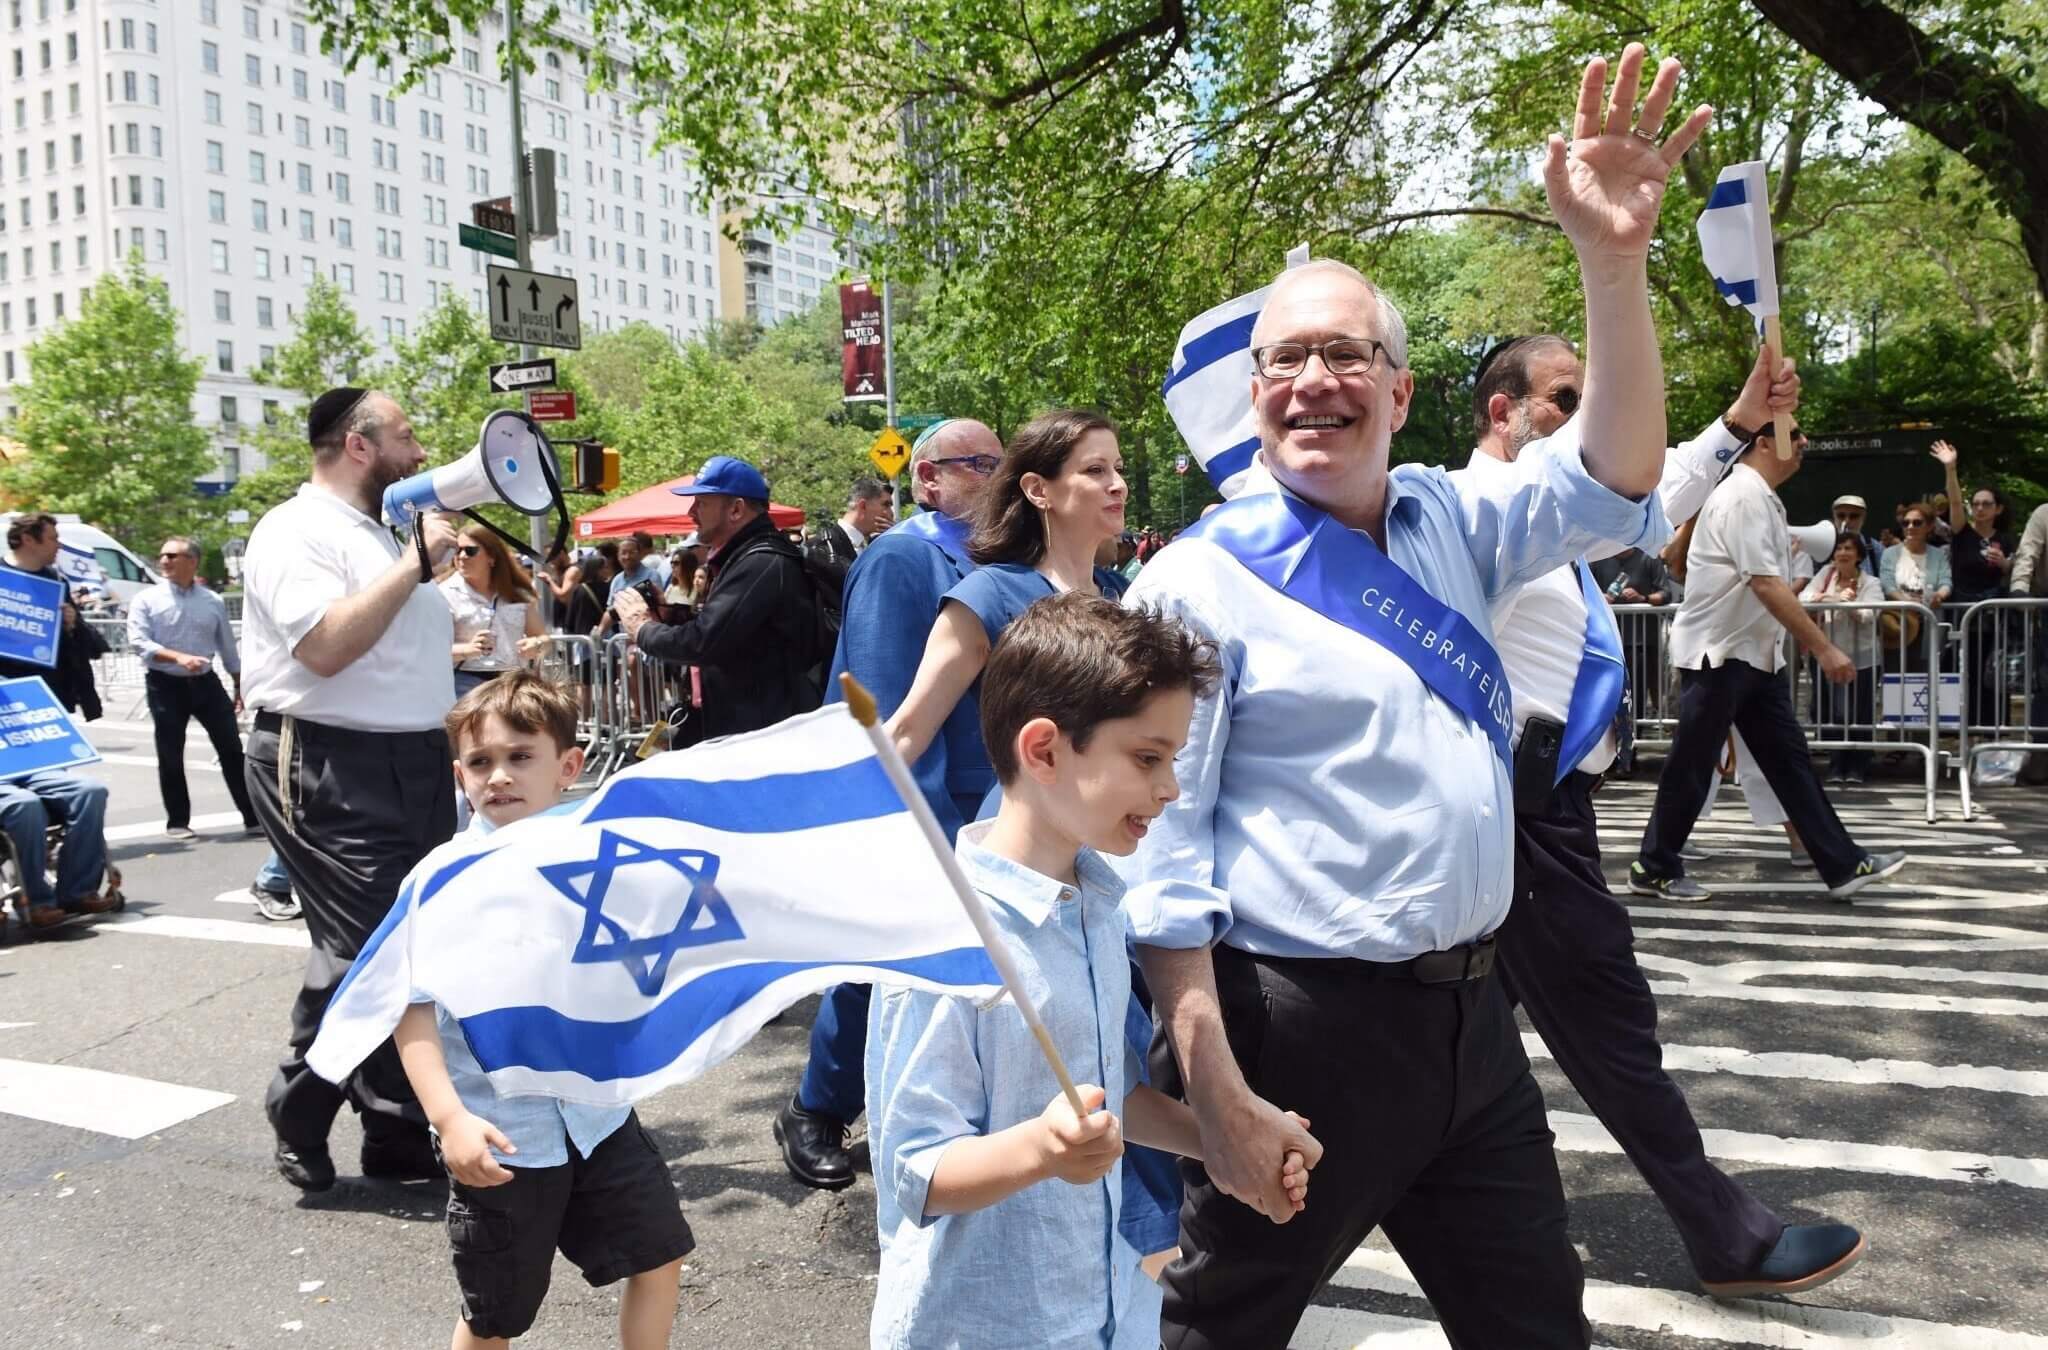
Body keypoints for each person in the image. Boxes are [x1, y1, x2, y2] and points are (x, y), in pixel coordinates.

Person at [1120, 47, 1710, 1348]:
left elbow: (1615, 473)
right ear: (1256, 395)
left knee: (1540, 1330)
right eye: (1283, 359)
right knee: (1221, 1332)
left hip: (1474, 1030)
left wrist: (1613, 264)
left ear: (1397, 389)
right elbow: (1163, 864)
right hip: (1300, 1033)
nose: (1311, 379)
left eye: (1345, 353)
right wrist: (1211, 1083)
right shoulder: (1196, 583)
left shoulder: (1457, 516)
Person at [1461, 336, 1865, 1298]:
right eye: (1565, 399)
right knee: (1612, 1030)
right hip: (1525, 827)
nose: (1585, 414)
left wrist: (1732, 422)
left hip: (1544, 817)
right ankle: (1730, 1238)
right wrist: (1731, 426)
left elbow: (1647, 501)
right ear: (1500, 411)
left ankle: (1272, 1195)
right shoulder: (1474, 510)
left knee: (1443, 1044)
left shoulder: (1545, 525)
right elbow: (1638, 505)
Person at [867, 593, 1311, 1350]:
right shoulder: (947, 938)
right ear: (1043, 750)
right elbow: (916, 1169)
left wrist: (1224, 1141)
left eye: (1172, 761)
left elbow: (1105, 1093)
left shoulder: (1100, 903)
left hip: (1103, 1312)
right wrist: (1041, 1151)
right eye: (1147, 759)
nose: (1170, 789)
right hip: (984, 1328)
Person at [387, 673, 693, 1350]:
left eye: (520, 756)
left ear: (568, 767)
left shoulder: (595, 857)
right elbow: (410, 1013)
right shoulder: (440, 882)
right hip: (503, 1137)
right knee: (496, 1314)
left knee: (658, 1254)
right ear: (459, 774)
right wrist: (450, 1119)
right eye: (480, 761)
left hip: (600, 1118)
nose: (499, 775)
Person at [775, 419, 1004, 1191]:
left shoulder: (998, 560)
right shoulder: (902, 555)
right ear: (929, 481)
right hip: (926, 806)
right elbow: (880, 699)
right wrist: (929, 818)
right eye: (975, 464)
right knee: (880, 960)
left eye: (1000, 463)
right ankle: (816, 1107)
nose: (995, 475)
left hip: (998, 807)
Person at [241, 386, 459, 1192]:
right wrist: (415, 566)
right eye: (407, 434)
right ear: (358, 445)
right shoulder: (293, 529)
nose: (421, 452)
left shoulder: (378, 532)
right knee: (371, 953)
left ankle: (395, 1133)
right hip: (325, 760)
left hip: (414, 761)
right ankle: (298, 1105)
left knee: (412, 946)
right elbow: (325, 649)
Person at [1632, 423, 1909, 902]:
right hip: (1719, 655)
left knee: (1790, 764)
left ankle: (1842, 864)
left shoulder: (1758, 496)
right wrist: (1824, 647)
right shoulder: (1743, 495)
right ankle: (1654, 865)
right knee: (1692, 766)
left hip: (1752, 657)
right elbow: (1764, 583)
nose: (1804, 442)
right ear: (1762, 442)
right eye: (1794, 433)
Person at [885, 409, 1134, 773]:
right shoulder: (988, 597)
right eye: (1095, 470)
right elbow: (906, 735)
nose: (1118, 484)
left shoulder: (1128, 594)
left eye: (1119, 468)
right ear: (1037, 490)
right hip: (1024, 821)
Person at [612, 456, 824, 742]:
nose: (691, 511)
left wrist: (643, 628)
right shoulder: (744, 558)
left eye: (702, 502)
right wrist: (670, 615)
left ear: (736, 509)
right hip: (742, 728)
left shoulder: (761, 561)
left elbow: (703, 640)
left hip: (761, 739)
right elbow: (725, 633)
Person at [0, 513, 115, 931]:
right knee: (25, 807)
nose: (58, 545)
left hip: (36, 714)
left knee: (89, 792)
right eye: (52, 537)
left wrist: (69, 626)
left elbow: (79, 647)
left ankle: (78, 889)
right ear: (27, 538)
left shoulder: (55, 583)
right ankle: (36, 898)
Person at [126, 537, 261, 841]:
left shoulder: (211, 600)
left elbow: (227, 647)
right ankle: (178, 820)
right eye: (162, 555)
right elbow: (139, 643)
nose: (164, 561)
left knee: (230, 748)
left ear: (192, 561)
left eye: (173, 555)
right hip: (165, 683)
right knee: (170, 752)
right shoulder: (147, 600)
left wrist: (239, 684)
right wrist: (177, 657)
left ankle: (252, 817)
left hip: (205, 682)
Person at [1933, 440, 2016, 723]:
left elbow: (2016, 573)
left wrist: (2004, 563)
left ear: (1998, 509)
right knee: (1961, 674)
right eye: (1976, 503)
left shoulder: (2006, 540)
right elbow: (1954, 501)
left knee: (1995, 674)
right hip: (1962, 615)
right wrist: (1951, 469)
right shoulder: (1962, 533)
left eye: (1986, 504)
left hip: (1995, 619)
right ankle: (1962, 730)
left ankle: (1995, 731)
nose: (1979, 508)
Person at [1802, 534, 1885, 783]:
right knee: (1834, 712)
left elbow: (1872, 612)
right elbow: (1803, 598)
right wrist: (1832, 598)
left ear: (1858, 555)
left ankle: (1859, 766)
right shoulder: (1825, 575)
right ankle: (1837, 765)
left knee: (1861, 711)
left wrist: (1853, 607)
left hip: (1863, 657)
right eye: (1838, 548)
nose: (1842, 553)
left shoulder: (1871, 582)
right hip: (1829, 654)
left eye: (1848, 548)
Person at [441, 524, 548, 698]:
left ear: (492, 557)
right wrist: (467, 650)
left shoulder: (517, 594)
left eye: (470, 551)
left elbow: (543, 637)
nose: (461, 556)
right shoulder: (443, 594)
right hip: (466, 682)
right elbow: (431, 649)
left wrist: (536, 645)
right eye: (457, 550)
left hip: (512, 681)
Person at [1879, 501, 1951, 670]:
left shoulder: (1938, 554)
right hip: (1898, 624)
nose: (1910, 527)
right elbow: (1887, 585)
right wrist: (1909, 604)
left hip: (1928, 622)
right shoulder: (1890, 553)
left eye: (1917, 523)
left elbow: (1946, 582)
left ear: (1930, 526)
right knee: (1895, 676)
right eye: (1906, 523)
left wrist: (1940, 595)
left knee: (1925, 674)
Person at [809, 477, 893, 607]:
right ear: (863, 506)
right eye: (885, 505)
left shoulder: (872, 544)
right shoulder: (822, 548)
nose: (890, 513)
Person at [1830, 495, 1882, 576]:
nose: (1847, 521)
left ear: (1863, 518)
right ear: (1834, 517)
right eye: (1841, 516)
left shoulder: (1875, 548)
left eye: (1854, 516)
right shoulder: (1824, 546)